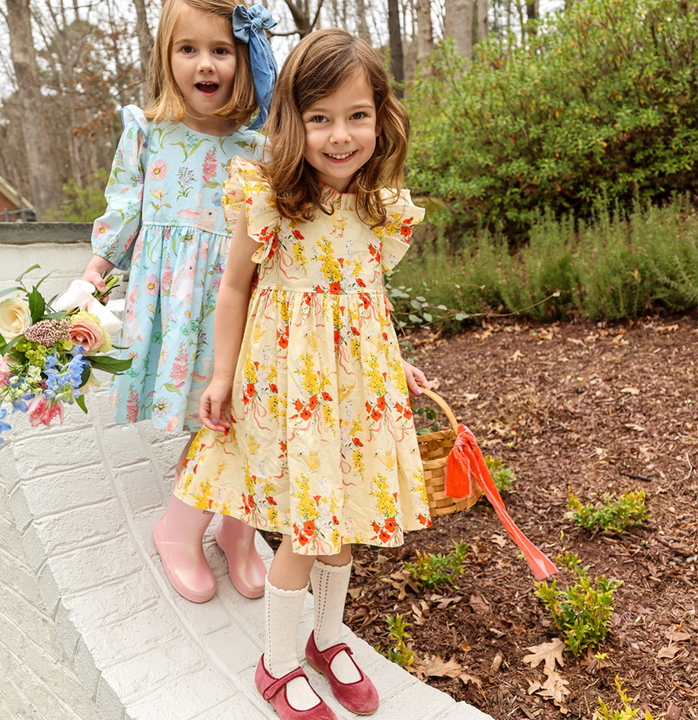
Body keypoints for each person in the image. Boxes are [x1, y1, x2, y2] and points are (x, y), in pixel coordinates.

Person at [176, 28, 434, 719]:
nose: (340, 136)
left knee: (342, 525)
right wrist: (221, 374)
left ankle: (326, 637)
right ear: (293, 122)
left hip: (357, 396)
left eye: (356, 116)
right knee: (304, 531)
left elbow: (365, 302)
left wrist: (392, 363)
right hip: (291, 396)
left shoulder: (380, 207)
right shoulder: (271, 199)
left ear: (381, 116)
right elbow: (234, 291)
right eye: (319, 119)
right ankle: (276, 662)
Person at [82, 0, 278, 604]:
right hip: (174, 302)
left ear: (245, 58)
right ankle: (181, 529)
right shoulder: (150, 131)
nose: (205, 64)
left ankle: (236, 534)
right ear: (167, 59)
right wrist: (94, 275)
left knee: (243, 413)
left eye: (222, 50)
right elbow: (125, 206)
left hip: (238, 303)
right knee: (214, 419)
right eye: (188, 49)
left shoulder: (261, 145)